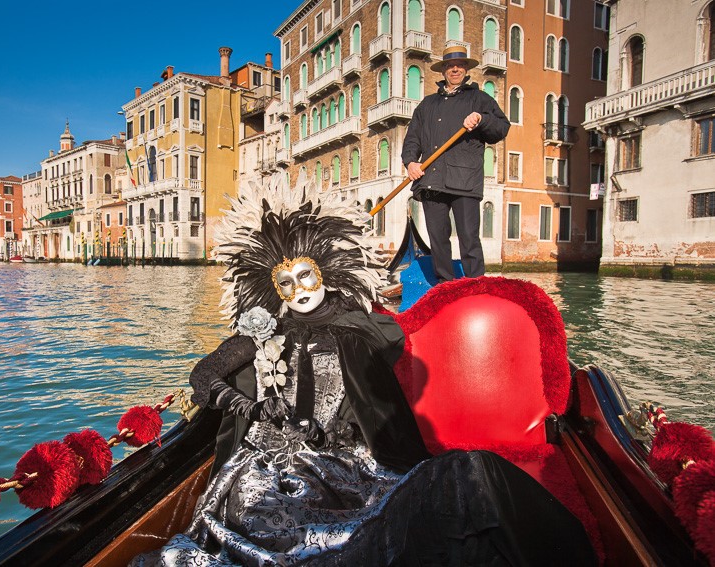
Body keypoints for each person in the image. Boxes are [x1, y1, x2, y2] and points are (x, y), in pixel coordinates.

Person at [130, 175, 596, 566]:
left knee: (467, 476)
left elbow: (382, 373)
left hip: (349, 463)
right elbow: (203, 374)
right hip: (271, 465)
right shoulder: (261, 331)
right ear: (274, 288)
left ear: (326, 271)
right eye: (285, 283)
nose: (298, 290)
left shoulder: (361, 327)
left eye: (306, 276)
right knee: (257, 509)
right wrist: (247, 405)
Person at [402, 45, 511, 282]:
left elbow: (501, 128)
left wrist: (483, 119)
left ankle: (475, 285)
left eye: (459, 65)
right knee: (438, 240)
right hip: (431, 179)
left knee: (469, 238)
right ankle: (444, 286)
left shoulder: (480, 99)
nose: (454, 69)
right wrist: (411, 162)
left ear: (465, 69)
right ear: (443, 71)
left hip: (465, 180)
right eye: (450, 66)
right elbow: (413, 138)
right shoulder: (427, 105)